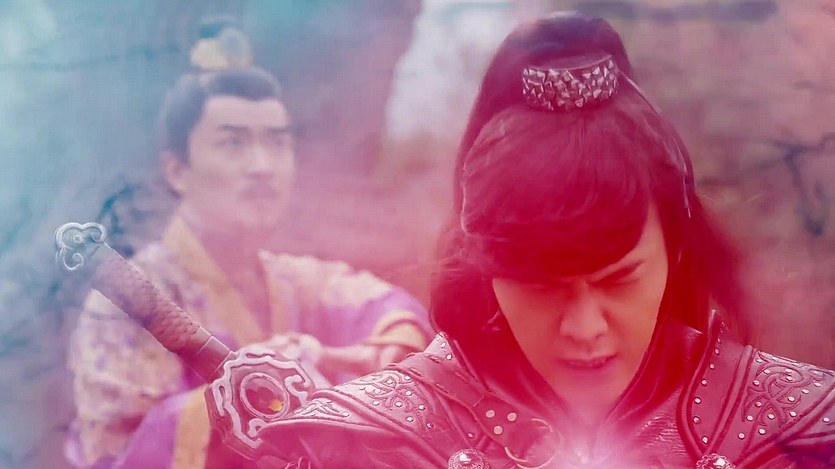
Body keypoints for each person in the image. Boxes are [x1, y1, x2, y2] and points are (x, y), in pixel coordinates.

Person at [225, 11, 835, 468]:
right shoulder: (376, 446)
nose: (585, 328)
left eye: (619, 278)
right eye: (543, 287)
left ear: (674, 246)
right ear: (487, 268)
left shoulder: (798, 429)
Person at [65, 64, 431, 468]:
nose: (262, 166)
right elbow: (122, 453)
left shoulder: (298, 282)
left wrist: (365, 357)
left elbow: (389, 311)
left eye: (277, 143)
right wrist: (245, 396)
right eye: (233, 144)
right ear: (177, 171)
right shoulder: (126, 304)